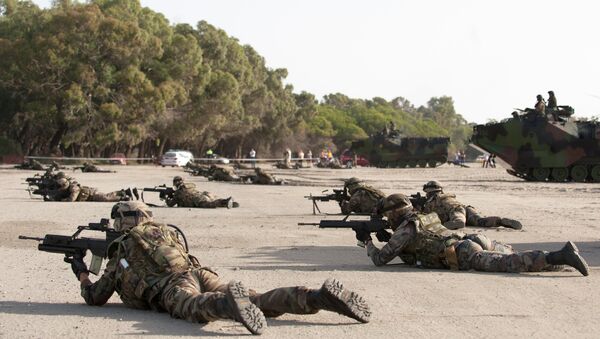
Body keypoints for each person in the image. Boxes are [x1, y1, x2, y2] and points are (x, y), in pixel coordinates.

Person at [69, 202, 370, 335]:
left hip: (173, 286)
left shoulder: (121, 247)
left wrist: (82, 273)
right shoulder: (165, 231)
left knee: (192, 306)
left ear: (121, 222)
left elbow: (97, 296)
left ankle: (228, 305)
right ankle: (318, 297)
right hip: (200, 272)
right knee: (259, 299)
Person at [355, 193, 589, 276]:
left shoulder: (404, 230)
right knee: (517, 256)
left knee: (511, 263)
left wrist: (367, 242)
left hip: (463, 253)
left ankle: (560, 257)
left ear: (394, 213)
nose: (387, 220)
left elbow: (379, 260)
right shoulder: (422, 218)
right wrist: (389, 238)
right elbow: (417, 242)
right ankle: (562, 262)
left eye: (388, 216)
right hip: (471, 239)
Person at [419, 181, 522, 230]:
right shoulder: (441, 197)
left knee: (458, 222)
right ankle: (501, 221)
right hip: (466, 210)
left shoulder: (438, 199)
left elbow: (455, 209)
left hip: (456, 211)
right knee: (481, 221)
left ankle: (501, 221)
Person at [166, 176, 238, 208]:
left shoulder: (178, 192)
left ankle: (225, 201)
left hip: (198, 200)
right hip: (203, 195)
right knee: (213, 202)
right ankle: (227, 202)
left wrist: (166, 198)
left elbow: (171, 204)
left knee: (211, 205)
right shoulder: (187, 186)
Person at [49, 178, 136, 202]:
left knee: (106, 198)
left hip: (92, 195)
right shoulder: (66, 190)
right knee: (108, 195)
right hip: (91, 195)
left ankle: (124, 198)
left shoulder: (73, 188)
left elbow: (72, 199)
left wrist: (61, 200)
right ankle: (123, 192)